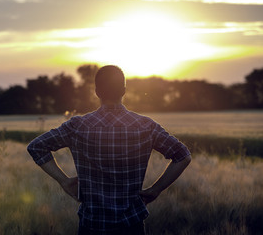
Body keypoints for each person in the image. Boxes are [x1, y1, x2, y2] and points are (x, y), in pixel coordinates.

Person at [27, 65, 191, 235]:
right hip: (131, 224)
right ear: (124, 91)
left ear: (97, 92)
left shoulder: (77, 126)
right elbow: (183, 156)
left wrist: (64, 181)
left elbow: (36, 147)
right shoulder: (146, 126)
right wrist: (155, 190)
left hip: (91, 224)